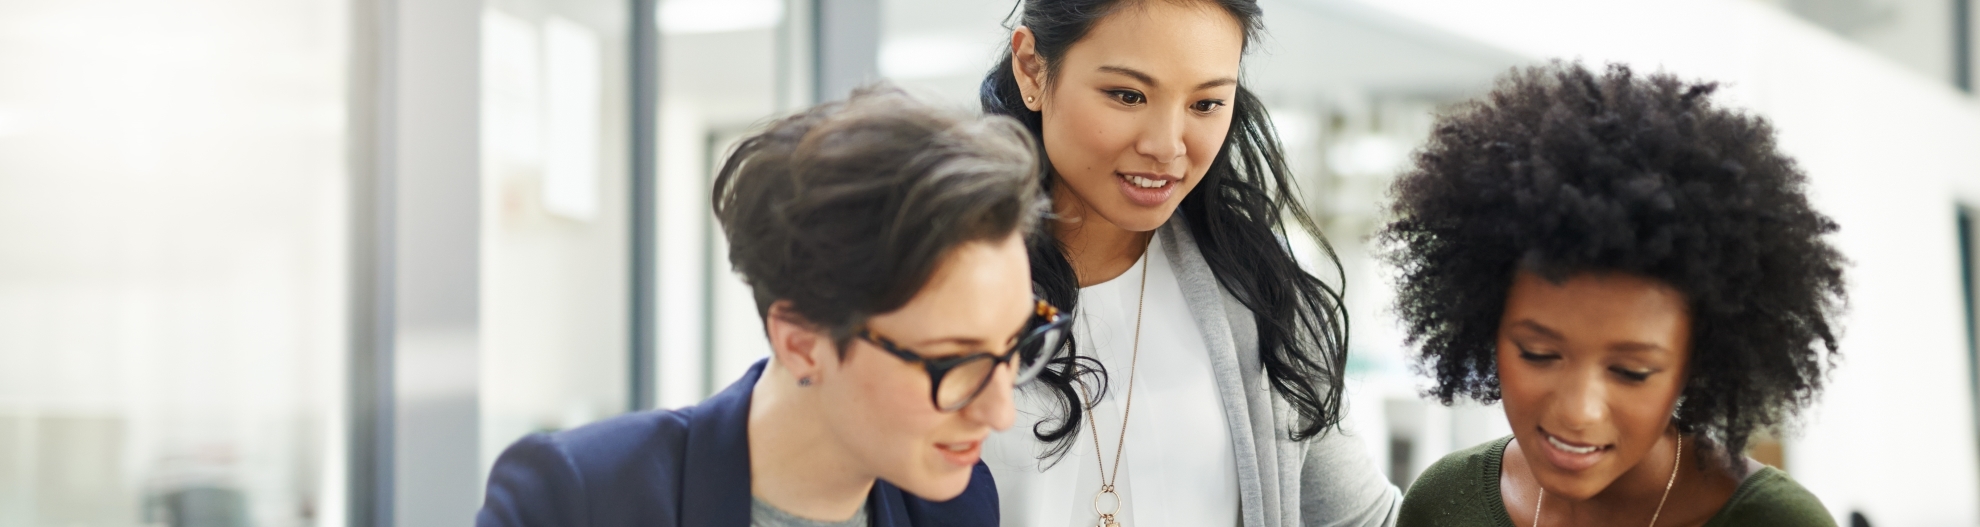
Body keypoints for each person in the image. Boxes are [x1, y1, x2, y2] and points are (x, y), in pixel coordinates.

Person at [476, 85, 1067, 527]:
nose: (999, 413)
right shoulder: (578, 498)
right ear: (801, 341)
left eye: (1015, 344)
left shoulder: (958, 504)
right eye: (953, 361)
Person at [977, 0, 1399, 525]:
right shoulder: (927, 278)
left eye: (1205, 104)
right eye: (1127, 95)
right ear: (1032, 68)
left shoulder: (1256, 292)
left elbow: (1367, 520)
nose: (1167, 145)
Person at [1380, 62, 1845, 527]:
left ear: (1698, 363)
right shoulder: (1445, 505)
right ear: (1486, 324)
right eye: (1538, 353)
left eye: (1631, 371)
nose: (1578, 412)